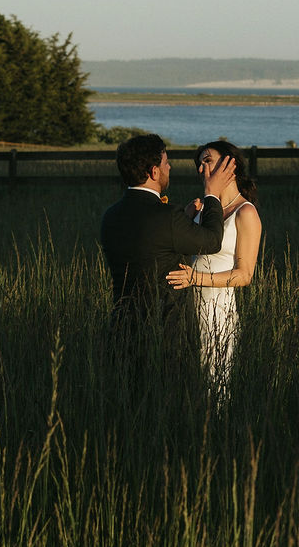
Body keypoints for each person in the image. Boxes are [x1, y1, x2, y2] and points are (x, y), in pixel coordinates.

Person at [99, 132, 234, 376]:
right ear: (153, 172)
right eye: (165, 162)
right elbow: (212, 241)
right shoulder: (167, 216)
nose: (169, 167)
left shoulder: (110, 216)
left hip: (121, 331)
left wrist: (182, 217)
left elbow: (148, 243)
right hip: (165, 335)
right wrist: (212, 194)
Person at [166, 139, 263, 395]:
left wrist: (195, 278)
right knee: (186, 381)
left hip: (218, 310)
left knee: (215, 385)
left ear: (230, 165)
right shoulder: (203, 210)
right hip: (188, 305)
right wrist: (187, 217)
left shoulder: (246, 213)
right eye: (199, 164)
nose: (201, 169)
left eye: (207, 161)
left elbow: (244, 276)